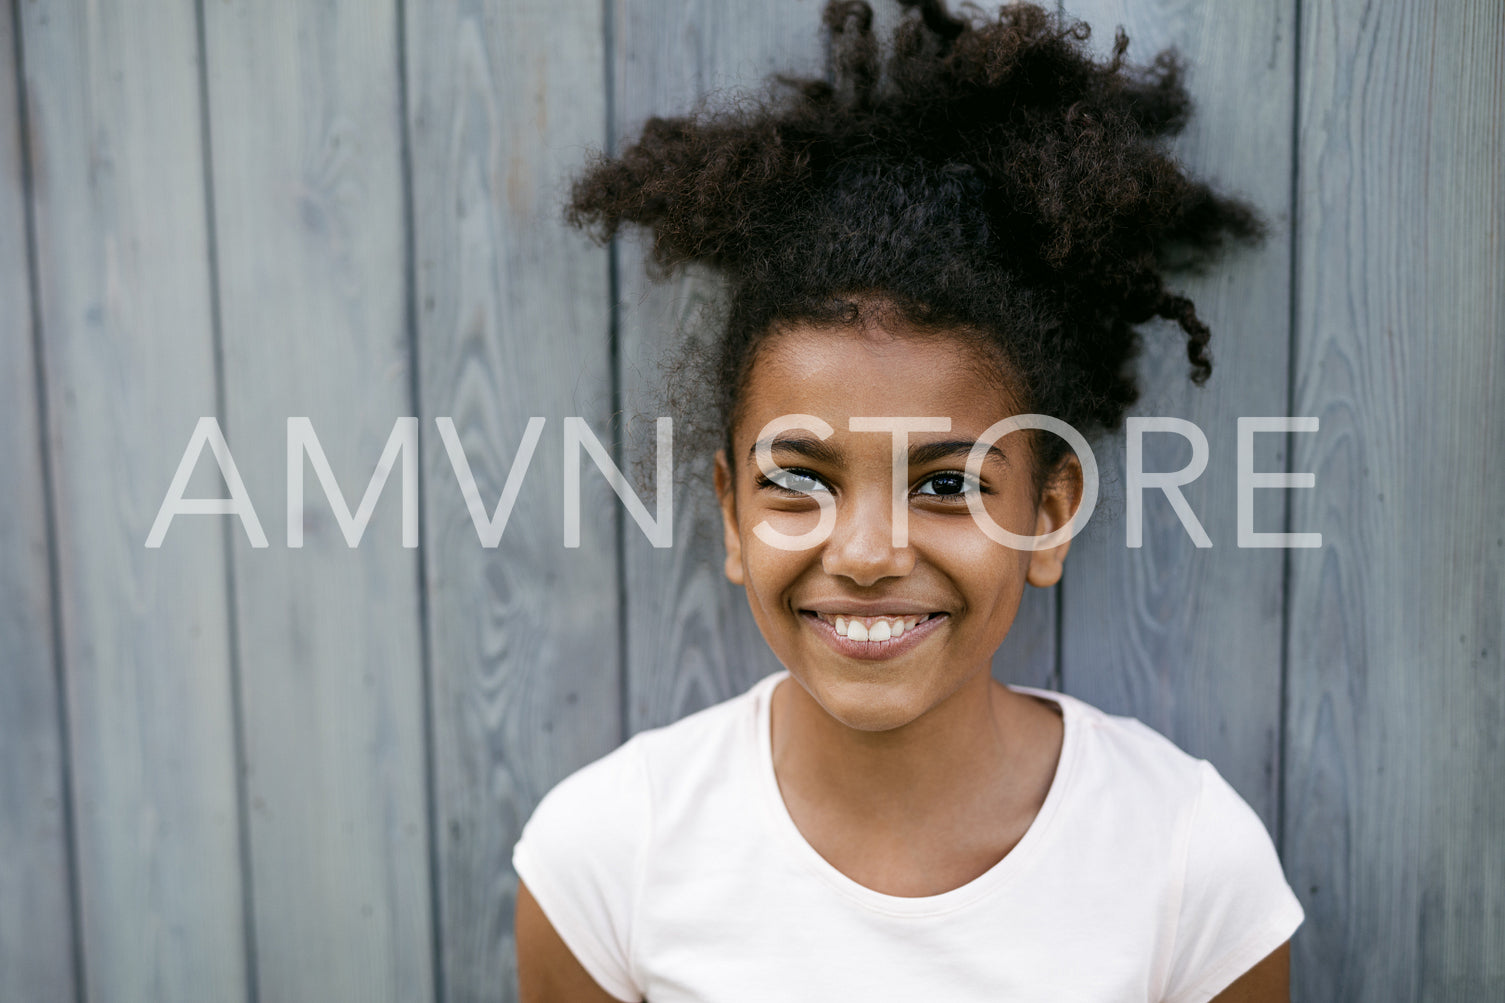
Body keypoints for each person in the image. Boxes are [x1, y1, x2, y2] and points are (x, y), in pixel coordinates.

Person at [513, 1, 1304, 999]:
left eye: (943, 485)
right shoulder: (605, 858)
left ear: (1048, 513)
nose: (868, 552)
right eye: (797, 481)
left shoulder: (1190, 866)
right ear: (728, 513)